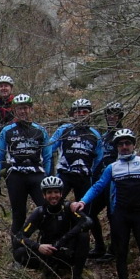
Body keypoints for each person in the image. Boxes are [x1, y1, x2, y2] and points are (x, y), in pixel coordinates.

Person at [71, 129, 140, 279]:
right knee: (121, 253)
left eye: (127, 143)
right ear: (117, 147)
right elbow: (98, 187)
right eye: (121, 144)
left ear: (133, 145)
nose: (125, 147)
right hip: (120, 215)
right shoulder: (112, 167)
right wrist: (83, 201)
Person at [13, 176, 92, 279]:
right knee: (19, 252)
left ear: (61, 193)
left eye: (56, 192)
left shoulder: (68, 208)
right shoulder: (39, 212)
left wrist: (63, 240)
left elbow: (87, 221)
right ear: (44, 195)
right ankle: (48, 269)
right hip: (47, 253)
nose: (53, 196)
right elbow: (19, 237)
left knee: (84, 236)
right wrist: (38, 246)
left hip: (66, 253)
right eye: (49, 192)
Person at [48, 98, 103, 252]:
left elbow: (99, 159)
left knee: (88, 213)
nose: (81, 114)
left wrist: (94, 177)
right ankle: (53, 242)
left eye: (84, 111)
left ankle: (98, 246)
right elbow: (50, 149)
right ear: (73, 114)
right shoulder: (64, 129)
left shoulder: (95, 135)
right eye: (78, 111)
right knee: (55, 208)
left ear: (89, 114)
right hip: (64, 175)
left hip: (84, 177)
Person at [0, 94, 51, 235]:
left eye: (25, 108)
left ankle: (47, 245)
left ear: (30, 109)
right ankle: (18, 249)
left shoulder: (40, 130)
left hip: (36, 174)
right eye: (19, 108)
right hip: (16, 176)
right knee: (19, 215)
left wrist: (49, 177)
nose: (23, 111)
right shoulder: (7, 131)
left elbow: (48, 156)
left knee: (47, 211)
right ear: (14, 110)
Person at [87, 101, 125, 260]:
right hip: (101, 181)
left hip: (116, 183)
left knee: (113, 215)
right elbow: (98, 160)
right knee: (90, 212)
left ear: (121, 116)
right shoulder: (103, 137)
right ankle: (100, 246)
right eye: (109, 113)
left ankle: (114, 250)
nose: (111, 117)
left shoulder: (123, 135)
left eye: (115, 113)